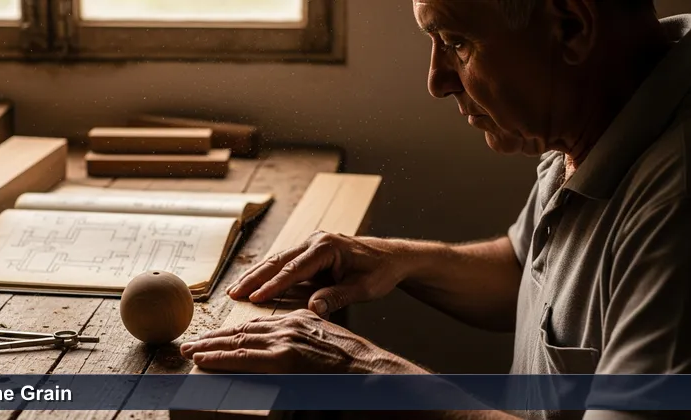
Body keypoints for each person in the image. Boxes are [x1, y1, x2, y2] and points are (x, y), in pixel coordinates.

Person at [180, 0, 691, 418]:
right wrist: (397, 259)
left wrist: (362, 371)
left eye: (456, 43)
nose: (437, 80)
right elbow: (526, 273)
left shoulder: (673, 207)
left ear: (572, 25)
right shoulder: (598, 112)